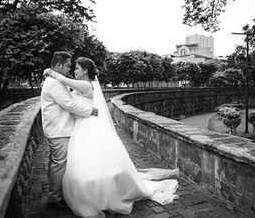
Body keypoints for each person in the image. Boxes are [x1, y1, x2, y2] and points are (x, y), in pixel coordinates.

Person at [43, 57, 179, 218]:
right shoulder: (74, 85)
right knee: (84, 161)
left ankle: (97, 194)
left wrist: (51, 72)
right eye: (72, 67)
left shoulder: (86, 85)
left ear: (85, 71)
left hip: (87, 125)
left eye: (77, 68)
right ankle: (87, 189)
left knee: (94, 159)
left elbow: (67, 83)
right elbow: (69, 96)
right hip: (79, 127)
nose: (74, 70)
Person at [41, 51, 99, 210]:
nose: (70, 69)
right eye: (67, 65)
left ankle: (58, 195)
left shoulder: (56, 81)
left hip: (62, 129)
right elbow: (69, 104)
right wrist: (90, 111)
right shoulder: (53, 83)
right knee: (58, 164)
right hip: (59, 130)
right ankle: (54, 199)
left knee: (57, 164)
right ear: (58, 65)